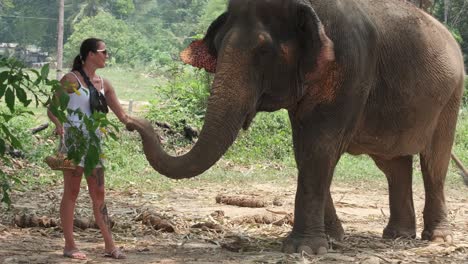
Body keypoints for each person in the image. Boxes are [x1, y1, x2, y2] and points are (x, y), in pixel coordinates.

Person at [47, 38, 128, 260]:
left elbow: (122, 116)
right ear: (90, 54)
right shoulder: (71, 80)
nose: (106, 56)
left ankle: (110, 246)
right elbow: (53, 109)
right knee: (72, 193)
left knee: (99, 194)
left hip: (95, 146)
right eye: (103, 52)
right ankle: (70, 246)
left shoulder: (105, 83)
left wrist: (143, 128)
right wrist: (58, 125)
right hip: (74, 144)